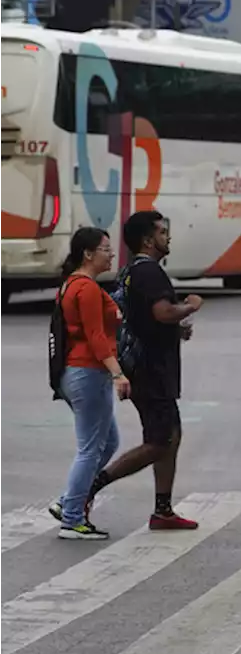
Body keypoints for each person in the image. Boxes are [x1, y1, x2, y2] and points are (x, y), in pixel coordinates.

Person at [88, 210, 201, 530]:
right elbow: (163, 312)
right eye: (163, 232)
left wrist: (176, 329)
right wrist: (190, 306)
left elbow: (143, 318)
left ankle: (163, 510)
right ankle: (91, 486)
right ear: (149, 240)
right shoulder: (149, 272)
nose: (169, 237)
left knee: (171, 436)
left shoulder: (131, 271)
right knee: (160, 441)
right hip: (150, 370)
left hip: (145, 367)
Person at [48, 227, 128, 540]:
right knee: (90, 449)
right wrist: (118, 373)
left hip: (74, 373)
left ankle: (70, 501)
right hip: (88, 372)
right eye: (106, 248)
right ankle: (72, 519)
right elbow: (96, 336)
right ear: (88, 253)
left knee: (107, 443)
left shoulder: (71, 285)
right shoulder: (87, 289)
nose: (111, 253)